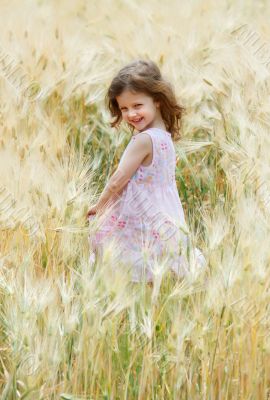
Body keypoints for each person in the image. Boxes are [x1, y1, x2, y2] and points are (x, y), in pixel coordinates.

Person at [86, 59, 206, 284]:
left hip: (139, 211)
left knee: (127, 259)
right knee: (159, 261)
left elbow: (118, 180)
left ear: (158, 101)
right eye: (124, 108)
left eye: (137, 105)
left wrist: (99, 206)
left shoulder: (143, 140)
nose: (131, 114)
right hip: (164, 211)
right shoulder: (165, 137)